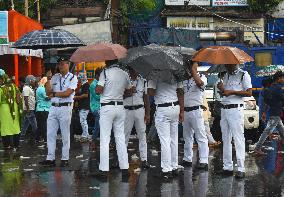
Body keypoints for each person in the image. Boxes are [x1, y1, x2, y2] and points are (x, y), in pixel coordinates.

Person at [95, 59, 132, 179]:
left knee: (105, 139)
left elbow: (98, 90)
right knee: (120, 138)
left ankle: (104, 170)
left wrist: (100, 87)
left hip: (107, 108)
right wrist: (120, 94)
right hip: (120, 107)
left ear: (107, 62)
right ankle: (125, 168)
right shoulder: (125, 73)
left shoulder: (104, 73)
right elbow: (130, 91)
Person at [39, 57, 78, 167]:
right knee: (50, 134)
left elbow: (67, 93)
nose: (60, 66)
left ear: (68, 64)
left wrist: (55, 94)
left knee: (65, 134)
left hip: (65, 108)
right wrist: (47, 78)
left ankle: (65, 158)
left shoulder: (73, 78)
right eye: (59, 64)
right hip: (53, 107)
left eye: (62, 64)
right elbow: (48, 93)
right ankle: (50, 158)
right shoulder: (55, 77)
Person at [217, 64, 252, 179]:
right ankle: (227, 167)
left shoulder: (243, 75)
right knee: (225, 139)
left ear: (234, 63)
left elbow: (249, 93)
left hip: (236, 110)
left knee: (238, 139)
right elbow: (225, 94)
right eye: (225, 64)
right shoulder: (225, 75)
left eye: (228, 64)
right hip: (224, 109)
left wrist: (231, 92)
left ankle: (241, 168)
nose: (226, 66)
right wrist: (221, 89)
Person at [148, 75, 184, 180]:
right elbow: (180, 92)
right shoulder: (176, 72)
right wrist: (182, 110)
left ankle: (166, 170)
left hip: (163, 109)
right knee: (173, 139)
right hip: (175, 107)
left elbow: (151, 92)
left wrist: (149, 82)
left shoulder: (155, 73)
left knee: (165, 140)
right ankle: (174, 166)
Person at [181, 61, 209, 170]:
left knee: (200, 136)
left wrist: (193, 70)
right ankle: (187, 159)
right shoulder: (184, 80)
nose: (190, 66)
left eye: (193, 64)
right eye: (189, 65)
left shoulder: (202, 77)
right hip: (186, 111)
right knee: (187, 136)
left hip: (196, 110)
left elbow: (200, 84)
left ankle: (204, 160)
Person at [124, 67, 150, 169]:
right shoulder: (124, 81)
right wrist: (128, 92)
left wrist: (148, 114)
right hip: (126, 110)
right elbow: (119, 95)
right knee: (124, 135)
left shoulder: (143, 82)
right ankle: (122, 160)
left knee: (142, 135)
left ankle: (144, 160)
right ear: (129, 71)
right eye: (131, 70)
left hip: (139, 110)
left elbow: (146, 98)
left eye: (135, 69)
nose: (134, 71)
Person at [254, 71, 284, 155]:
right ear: (278, 79)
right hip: (275, 113)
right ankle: (257, 148)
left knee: (282, 131)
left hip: (274, 113)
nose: (283, 79)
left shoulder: (270, 88)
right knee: (267, 131)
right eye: (282, 78)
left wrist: (264, 112)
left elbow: (267, 101)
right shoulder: (278, 88)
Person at [0, 70, 21, 150]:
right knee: (15, 127)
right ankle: (16, 145)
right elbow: (19, 98)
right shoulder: (14, 86)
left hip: (4, 109)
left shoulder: (1, 89)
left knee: (5, 127)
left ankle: (7, 145)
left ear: (2, 79)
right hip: (14, 108)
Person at [21, 75, 38, 142]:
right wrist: (28, 108)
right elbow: (26, 98)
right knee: (34, 124)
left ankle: (21, 137)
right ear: (30, 81)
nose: (34, 82)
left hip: (29, 109)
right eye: (33, 80)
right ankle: (36, 137)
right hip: (29, 109)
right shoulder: (26, 88)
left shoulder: (29, 88)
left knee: (25, 124)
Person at [74, 73, 90, 142]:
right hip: (82, 106)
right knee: (83, 121)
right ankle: (85, 135)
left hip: (85, 106)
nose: (78, 80)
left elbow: (86, 95)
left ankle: (85, 136)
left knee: (83, 121)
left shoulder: (86, 85)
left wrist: (76, 97)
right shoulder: (83, 85)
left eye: (79, 78)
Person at [89, 68, 102, 147]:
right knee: (98, 124)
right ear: (97, 75)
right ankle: (93, 140)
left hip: (101, 106)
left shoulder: (100, 83)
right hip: (95, 107)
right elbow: (97, 97)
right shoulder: (93, 84)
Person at [36, 77, 51, 142]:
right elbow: (46, 98)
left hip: (40, 109)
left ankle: (37, 138)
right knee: (44, 125)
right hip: (43, 109)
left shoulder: (39, 88)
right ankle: (45, 139)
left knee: (40, 125)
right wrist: (53, 95)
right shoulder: (42, 89)